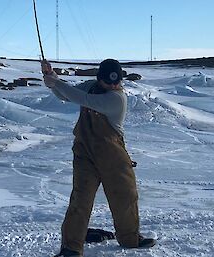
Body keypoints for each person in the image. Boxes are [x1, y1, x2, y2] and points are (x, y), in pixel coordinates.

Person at [42, 59, 156, 257]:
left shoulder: (117, 99)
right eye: (108, 82)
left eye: (116, 82)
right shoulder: (91, 87)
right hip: (85, 154)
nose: (112, 86)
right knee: (80, 200)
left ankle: (130, 238)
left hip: (113, 156)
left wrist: (56, 83)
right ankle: (71, 247)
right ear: (99, 79)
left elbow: (83, 99)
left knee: (125, 197)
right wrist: (52, 79)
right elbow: (65, 95)